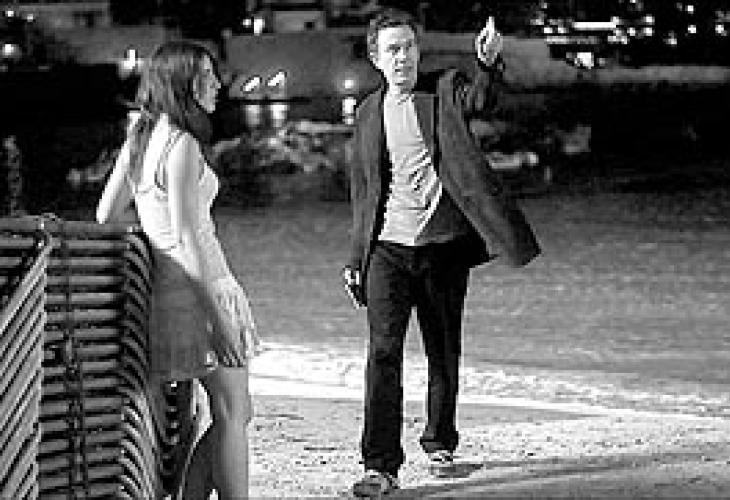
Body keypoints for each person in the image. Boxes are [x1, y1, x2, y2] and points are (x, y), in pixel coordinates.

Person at [344, 9, 540, 496]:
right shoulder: (367, 112)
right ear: (376, 58)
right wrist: (355, 258)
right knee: (382, 353)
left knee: (443, 350)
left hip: (444, 247)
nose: (403, 57)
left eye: (409, 47)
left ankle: (439, 442)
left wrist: (486, 62)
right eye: (393, 50)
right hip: (387, 249)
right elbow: (363, 191)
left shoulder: (445, 90)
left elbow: (482, 99)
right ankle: (380, 465)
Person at [96, 41, 260, 499]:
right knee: (233, 413)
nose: (217, 84)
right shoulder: (182, 144)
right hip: (203, 288)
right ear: (182, 83)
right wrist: (220, 320)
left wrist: (155, 240)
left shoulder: (141, 138)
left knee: (233, 411)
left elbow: (107, 214)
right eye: (206, 76)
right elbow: (189, 238)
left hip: (168, 291)